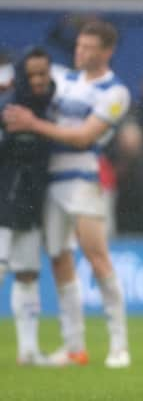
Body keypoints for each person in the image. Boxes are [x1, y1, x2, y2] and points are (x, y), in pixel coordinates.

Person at [3, 20, 131, 368]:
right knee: (59, 258)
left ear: (107, 52)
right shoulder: (61, 78)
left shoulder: (115, 92)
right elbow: (18, 78)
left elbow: (84, 138)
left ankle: (119, 345)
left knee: (96, 255)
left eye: (90, 47)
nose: (81, 51)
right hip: (49, 180)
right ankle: (75, 347)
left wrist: (32, 124)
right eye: (79, 45)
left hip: (82, 177)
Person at [0, 47, 55, 366]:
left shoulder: (49, 108)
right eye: (31, 74)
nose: (38, 79)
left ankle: (29, 350)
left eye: (42, 73)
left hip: (31, 203)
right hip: (5, 200)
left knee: (28, 274)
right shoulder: (10, 110)